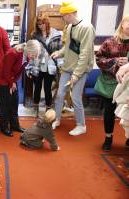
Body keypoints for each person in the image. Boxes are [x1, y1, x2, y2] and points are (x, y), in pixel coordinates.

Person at [51, 1, 95, 136]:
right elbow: (69, 46)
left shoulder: (86, 28)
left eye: (63, 15)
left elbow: (85, 53)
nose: (62, 18)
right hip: (67, 67)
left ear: (69, 14)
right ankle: (57, 119)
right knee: (59, 95)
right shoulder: (69, 27)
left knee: (75, 97)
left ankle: (81, 125)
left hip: (80, 70)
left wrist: (76, 75)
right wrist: (60, 52)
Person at [0, 40, 41, 137]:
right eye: (34, 54)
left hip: (11, 78)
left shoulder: (26, 56)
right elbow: (6, 72)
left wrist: (13, 82)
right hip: (1, 78)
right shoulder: (12, 54)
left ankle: (14, 125)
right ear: (29, 50)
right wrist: (11, 84)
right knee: (5, 103)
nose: (35, 57)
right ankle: (4, 126)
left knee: (14, 101)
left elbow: (18, 72)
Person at [95, 15, 129, 151]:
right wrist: (115, 62)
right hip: (110, 84)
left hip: (128, 86)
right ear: (122, 24)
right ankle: (108, 138)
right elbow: (98, 59)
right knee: (109, 112)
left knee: (128, 112)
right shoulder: (110, 42)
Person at [31, 15, 63, 116]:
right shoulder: (35, 35)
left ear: (47, 22)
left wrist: (60, 65)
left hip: (50, 64)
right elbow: (32, 50)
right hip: (38, 64)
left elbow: (59, 49)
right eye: (39, 24)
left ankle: (48, 109)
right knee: (37, 87)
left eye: (43, 23)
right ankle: (35, 108)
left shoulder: (55, 35)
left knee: (47, 88)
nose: (41, 26)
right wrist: (30, 66)